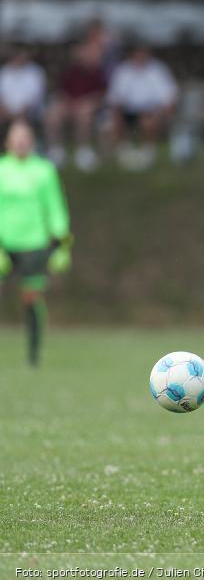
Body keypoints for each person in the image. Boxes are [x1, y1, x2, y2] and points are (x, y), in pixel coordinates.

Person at [0, 121, 73, 367]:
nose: (20, 141)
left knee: (31, 299)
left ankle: (33, 357)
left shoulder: (44, 171)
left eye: (25, 137)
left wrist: (63, 244)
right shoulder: (1, 169)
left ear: (31, 141)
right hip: (3, 244)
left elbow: (55, 208)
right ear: (7, 141)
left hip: (34, 245)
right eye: (15, 137)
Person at [105, 44, 178, 170]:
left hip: (152, 110)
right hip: (128, 110)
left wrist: (163, 112)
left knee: (147, 120)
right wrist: (116, 111)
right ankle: (124, 151)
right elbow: (115, 96)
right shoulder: (123, 71)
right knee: (115, 118)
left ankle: (148, 152)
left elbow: (169, 96)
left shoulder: (158, 70)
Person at [44, 38, 108, 171]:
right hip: (69, 104)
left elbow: (101, 94)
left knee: (84, 113)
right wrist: (67, 102)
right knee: (52, 114)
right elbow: (61, 91)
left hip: (89, 106)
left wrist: (87, 102)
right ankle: (56, 150)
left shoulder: (97, 72)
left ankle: (83, 151)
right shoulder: (69, 71)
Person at [0, 46, 47, 136]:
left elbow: (36, 96)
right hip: (5, 110)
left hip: (28, 111)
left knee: (23, 119)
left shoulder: (36, 71)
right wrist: (5, 109)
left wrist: (22, 111)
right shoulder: (3, 71)